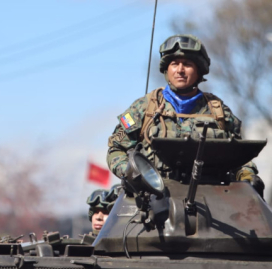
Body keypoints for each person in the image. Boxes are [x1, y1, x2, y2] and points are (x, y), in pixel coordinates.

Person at [106, 34, 264, 196]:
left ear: (199, 70)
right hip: (154, 198)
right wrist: (133, 174)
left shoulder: (218, 112)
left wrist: (247, 175)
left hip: (212, 199)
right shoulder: (145, 108)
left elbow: (239, 157)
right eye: (174, 64)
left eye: (187, 64)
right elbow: (116, 149)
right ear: (167, 69)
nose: (180, 70)